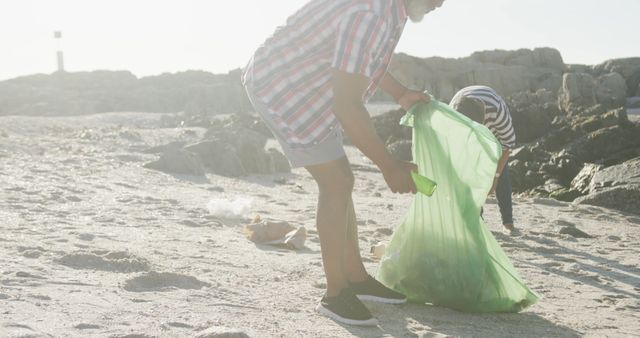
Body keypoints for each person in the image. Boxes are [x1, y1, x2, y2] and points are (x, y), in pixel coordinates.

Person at [243, 0, 446, 326]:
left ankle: (355, 276)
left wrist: (399, 93)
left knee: (341, 179)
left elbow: (368, 60)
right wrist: (389, 166)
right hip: (282, 84)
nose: (441, 3)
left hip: (314, 80)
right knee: (336, 181)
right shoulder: (371, 16)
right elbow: (347, 104)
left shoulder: (396, 10)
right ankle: (336, 293)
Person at [449, 85, 517, 231]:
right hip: (465, 137)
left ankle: (508, 223)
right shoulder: (454, 113)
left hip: (497, 138)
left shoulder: (497, 110)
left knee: (502, 175)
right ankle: (477, 220)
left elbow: (507, 146)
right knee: (469, 174)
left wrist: (495, 176)